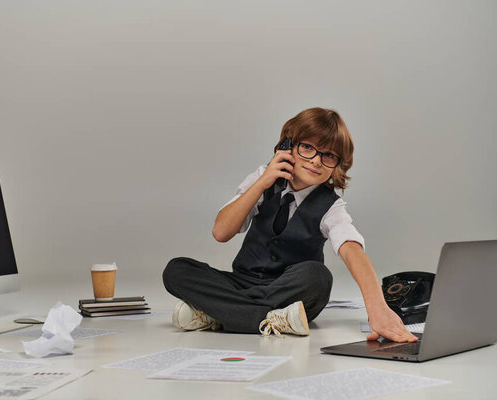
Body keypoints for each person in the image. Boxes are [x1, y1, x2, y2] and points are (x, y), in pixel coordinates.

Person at [162, 107, 418, 343]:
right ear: (287, 146)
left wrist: (378, 308)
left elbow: (351, 248)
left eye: (329, 155)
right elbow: (221, 232)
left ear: (338, 164)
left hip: (289, 291)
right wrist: (262, 182)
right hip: (243, 282)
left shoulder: (331, 206)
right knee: (176, 269)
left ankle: (218, 313)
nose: (316, 161)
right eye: (308, 147)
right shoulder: (261, 180)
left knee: (318, 277)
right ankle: (270, 319)